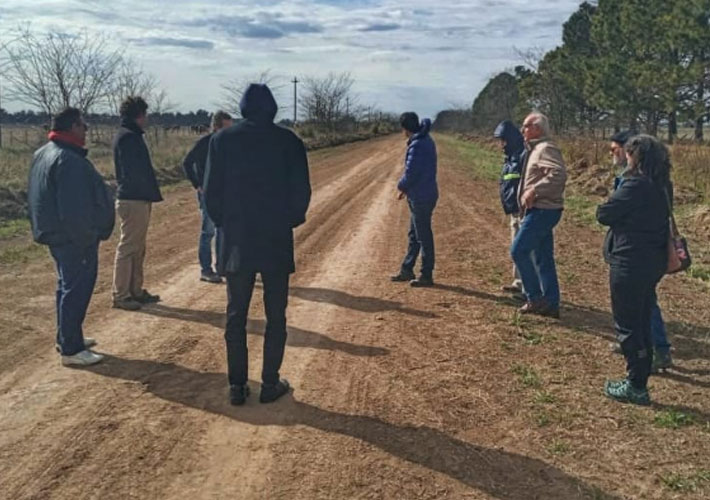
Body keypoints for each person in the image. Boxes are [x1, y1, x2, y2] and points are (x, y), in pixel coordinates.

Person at [204, 84, 311, 406]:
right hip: (275, 239)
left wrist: (226, 224)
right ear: (273, 108)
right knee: (275, 315)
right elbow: (301, 192)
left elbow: (210, 194)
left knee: (236, 315)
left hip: (237, 240)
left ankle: (237, 386)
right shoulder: (289, 141)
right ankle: (269, 383)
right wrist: (288, 221)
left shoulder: (221, 140)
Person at [27, 107, 115, 366]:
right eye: (83, 125)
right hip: (73, 238)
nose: (86, 130)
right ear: (72, 127)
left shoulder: (42, 153)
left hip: (54, 233)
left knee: (65, 286)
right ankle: (71, 350)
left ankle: (67, 336)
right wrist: (88, 236)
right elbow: (74, 208)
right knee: (76, 289)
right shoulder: (68, 160)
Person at [597, 135, 671, 405]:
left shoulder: (635, 185)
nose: (626, 157)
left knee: (629, 323)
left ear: (637, 157)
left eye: (629, 154)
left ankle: (636, 385)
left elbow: (604, 214)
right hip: (653, 261)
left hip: (629, 261)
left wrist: (610, 199)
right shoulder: (662, 184)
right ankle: (640, 376)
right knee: (642, 319)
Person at [511, 112, 567, 318]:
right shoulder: (537, 148)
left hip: (543, 210)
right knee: (543, 257)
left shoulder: (546, 148)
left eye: (525, 125)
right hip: (542, 210)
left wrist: (535, 190)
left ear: (537, 128)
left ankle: (535, 298)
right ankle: (551, 303)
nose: (522, 129)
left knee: (518, 251)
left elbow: (559, 174)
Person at [111, 96, 163, 311]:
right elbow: (133, 172)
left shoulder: (129, 135)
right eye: (145, 114)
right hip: (133, 199)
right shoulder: (128, 138)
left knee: (138, 247)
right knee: (129, 247)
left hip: (137, 198)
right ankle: (121, 294)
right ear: (139, 115)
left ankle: (135, 290)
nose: (147, 118)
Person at [183, 110, 234, 283]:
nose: (230, 131)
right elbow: (187, 163)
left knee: (223, 230)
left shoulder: (227, 144)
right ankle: (206, 269)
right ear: (216, 127)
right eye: (226, 127)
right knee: (208, 231)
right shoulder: (204, 143)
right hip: (207, 193)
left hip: (224, 192)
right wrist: (197, 184)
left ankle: (222, 266)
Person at [390, 112, 438, 287]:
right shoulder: (425, 140)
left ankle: (426, 274)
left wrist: (401, 186)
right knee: (415, 234)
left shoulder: (418, 144)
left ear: (405, 129)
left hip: (421, 196)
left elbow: (411, 173)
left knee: (423, 235)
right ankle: (407, 268)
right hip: (422, 193)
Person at [494, 119, 526, 300]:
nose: (501, 145)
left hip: (523, 210)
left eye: (503, 140)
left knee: (523, 248)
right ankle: (519, 282)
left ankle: (528, 288)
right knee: (516, 246)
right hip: (514, 209)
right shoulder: (511, 156)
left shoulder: (522, 155)